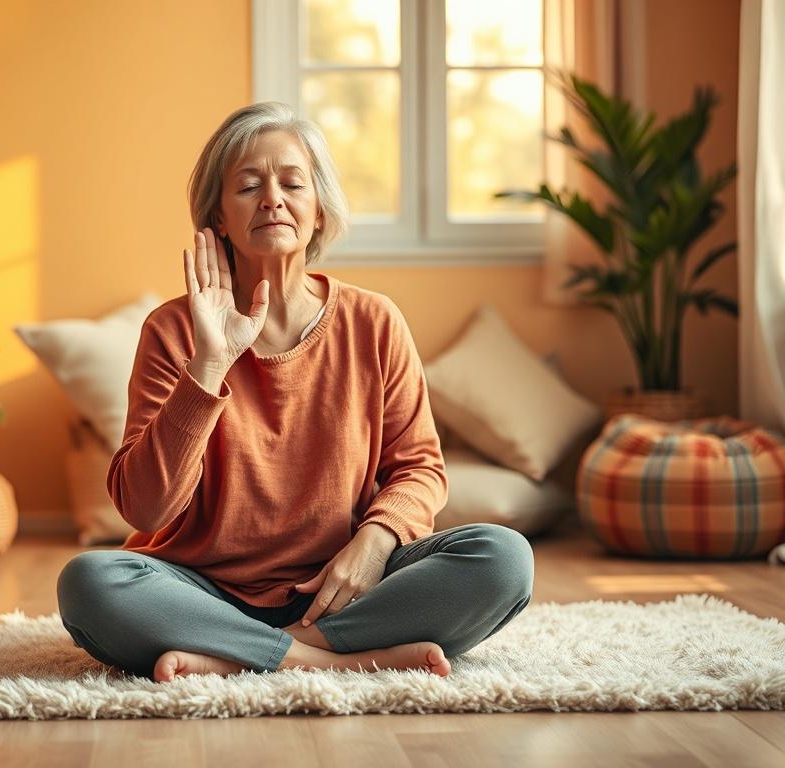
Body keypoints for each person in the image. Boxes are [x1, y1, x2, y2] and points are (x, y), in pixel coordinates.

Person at [57, 102, 534, 683]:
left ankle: (244, 655)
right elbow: (146, 508)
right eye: (248, 185)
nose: (272, 199)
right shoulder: (173, 329)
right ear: (219, 218)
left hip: (345, 587)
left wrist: (374, 544)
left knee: (504, 559)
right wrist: (210, 364)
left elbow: (420, 469)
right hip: (199, 591)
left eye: (292, 183)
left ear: (317, 210)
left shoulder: (374, 321)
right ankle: (335, 659)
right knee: (89, 584)